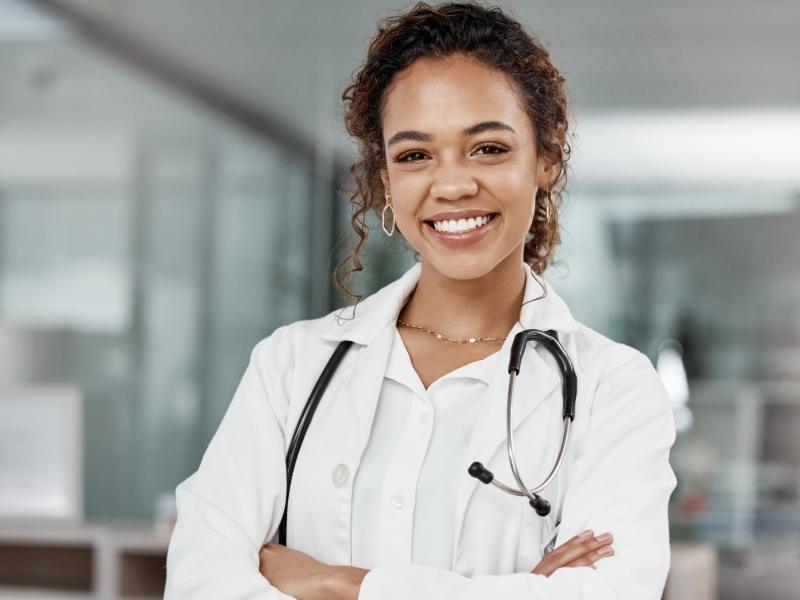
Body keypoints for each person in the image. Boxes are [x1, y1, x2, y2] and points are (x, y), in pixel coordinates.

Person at [164, 2, 677, 599]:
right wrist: (510, 590)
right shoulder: (293, 367)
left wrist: (338, 584)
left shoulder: (613, 389)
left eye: (487, 148)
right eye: (415, 155)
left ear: (548, 156)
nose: (453, 184)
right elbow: (200, 582)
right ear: (385, 178)